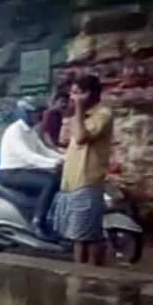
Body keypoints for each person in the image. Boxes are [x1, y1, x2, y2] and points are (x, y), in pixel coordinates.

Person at [56, 73, 113, 266]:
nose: (72, 98)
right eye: (71, 93)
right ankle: (81, 278)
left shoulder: (103, 115)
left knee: (86, 237)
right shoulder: (78, 116)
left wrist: (78, 110)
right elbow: (65, 141)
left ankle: (87, 278)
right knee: (79, 236)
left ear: (89, 94)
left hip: (87, 182)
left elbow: (81, 137)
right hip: (72, 182)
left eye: (76, 93)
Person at [0, 97, 64, 237]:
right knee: (49, 181)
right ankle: (38, 221)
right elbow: (28, 156)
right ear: (25, 113)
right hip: (11, 173)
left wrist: (66, 158)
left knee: (59, 179)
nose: (40, 115)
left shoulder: (31, 131)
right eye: (36, 112)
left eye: (41, 112)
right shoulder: (15, 131)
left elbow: (44, 151)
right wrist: (54, 164)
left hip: (25, 170)